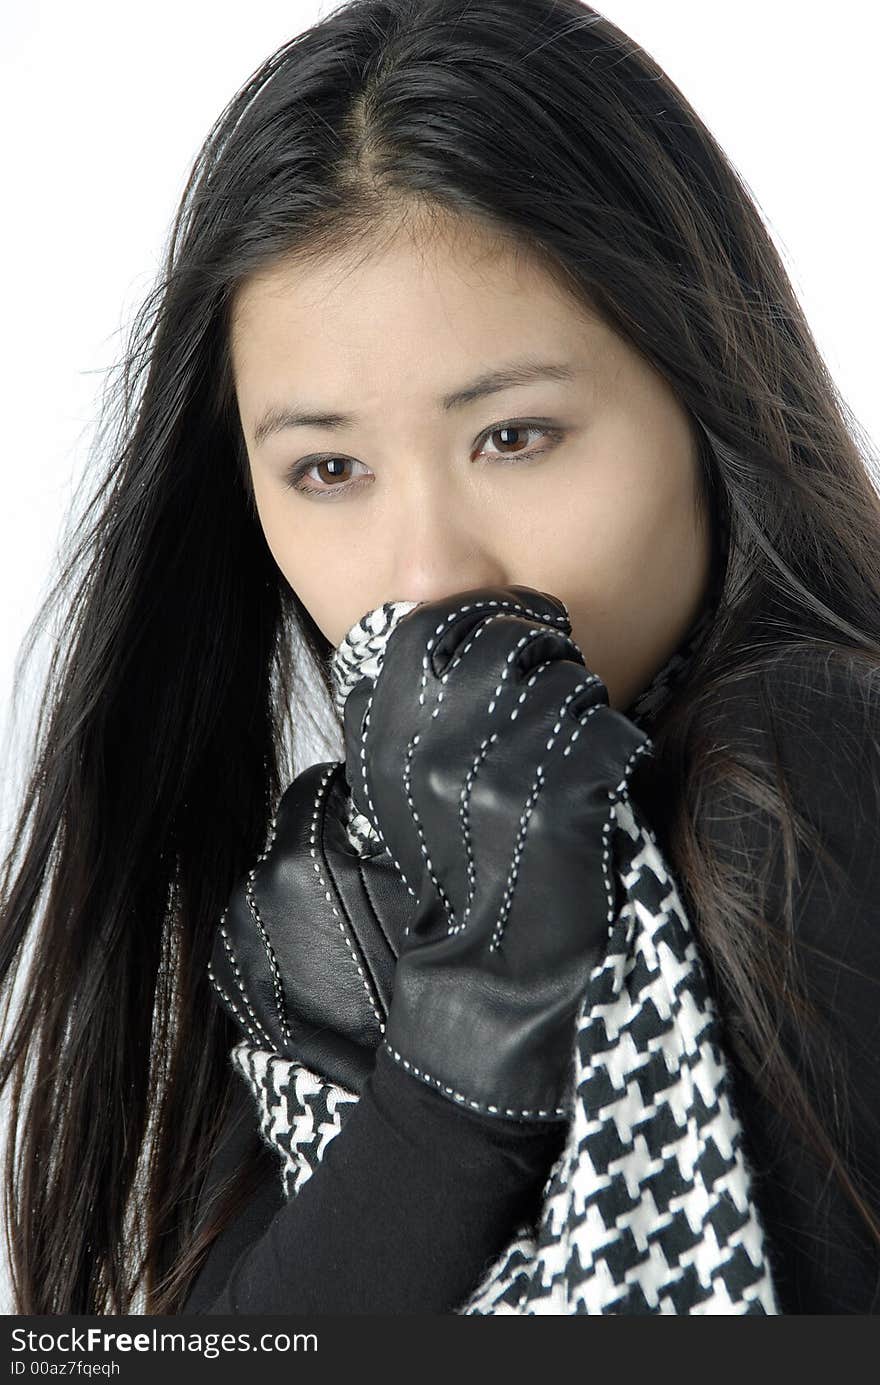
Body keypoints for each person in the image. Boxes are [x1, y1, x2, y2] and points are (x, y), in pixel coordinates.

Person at [1, 0, 878, 1316]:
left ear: (704, 398)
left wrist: (463, 1076)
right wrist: (446, 1083)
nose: (430, 576)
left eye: (514, 437)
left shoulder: (807, 754)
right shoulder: (353, 883)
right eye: (329, 468)